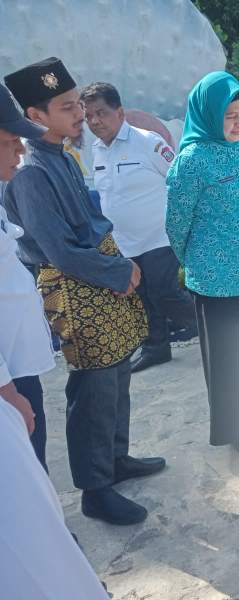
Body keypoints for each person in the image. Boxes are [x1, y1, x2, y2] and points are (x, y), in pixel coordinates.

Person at [3, 57, 165, 526]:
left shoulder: (64, 155)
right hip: (76, 285)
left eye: (79, 105)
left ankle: (115, 459)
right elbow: (61, 251)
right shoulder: (32, 171)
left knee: (117, 373)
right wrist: (118, 272)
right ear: (36, 117)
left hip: (101, 273)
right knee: (93, 384)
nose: (81, 116)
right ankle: (95, 489)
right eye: (68, 107)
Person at [166, 71, 239, 455]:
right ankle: (235, 432)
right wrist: (195, 262)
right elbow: (176, 224)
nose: (238, 123)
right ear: (208, 114)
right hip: (215, 281)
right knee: (225, 359)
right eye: (229, 115)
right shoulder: (192, 160)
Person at [82, 82, 197, 374]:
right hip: (125, 241)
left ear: (119, 112)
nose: (95, 121)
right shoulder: (97, 150)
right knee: (142, 294)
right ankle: (156, 348)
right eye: (89, 116)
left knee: (163, 291)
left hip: (159, 235)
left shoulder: (148, 142)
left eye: (101, 113)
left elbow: (178, 181)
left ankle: (210, 325)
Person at [0, 83, 55, 471]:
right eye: (9, 140)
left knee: (35, 465)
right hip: (7, 381)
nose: (21, 149)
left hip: (18, 366)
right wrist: (6, 391)